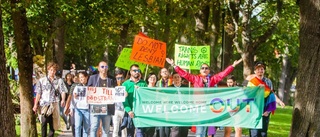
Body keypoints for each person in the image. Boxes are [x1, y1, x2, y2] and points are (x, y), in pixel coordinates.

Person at [166, 58, 243, 137]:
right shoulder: (195, 79)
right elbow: (184, 74)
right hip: (200, 109)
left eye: (206, 68)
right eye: (202, 68)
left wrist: (233, 65)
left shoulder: (213, 79)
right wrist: (174, 65)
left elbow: (222, 74)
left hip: (211, 109)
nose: (204, 69)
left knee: (211, 131)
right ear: (200, 71)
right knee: (200, 132)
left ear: (209, 71)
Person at [32, 61, 68, 137]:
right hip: (44, 104)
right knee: (44, 123)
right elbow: (38, 93)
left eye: (54, 70)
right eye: (51, 70)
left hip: (54, 104)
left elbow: (63, 91)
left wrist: (63, 100)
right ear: (48, 70)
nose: (52, 72)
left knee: (53, 124)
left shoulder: (59, 80)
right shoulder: (42, 81)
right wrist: (35, 105)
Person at [246, 61, 277, 137]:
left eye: (262, 69)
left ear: (264, 70)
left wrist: (268, 111)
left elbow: (271, 97)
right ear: (254, 71)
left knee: (263, 133)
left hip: (265, 111)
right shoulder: (251, 82)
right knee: (254, 133)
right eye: (258, 69)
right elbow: (247, 96)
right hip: (254, 112)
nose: (260, 71)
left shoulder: (268, 82)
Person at [88, 61, 115, 137]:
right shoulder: (93, 78)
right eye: (102, 67)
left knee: (106, 129)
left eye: (106, 67)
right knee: (94, 127)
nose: (104, 68)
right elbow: (88, 91)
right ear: (99, 68)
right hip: (95, 106)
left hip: (108, 107)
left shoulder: (111, 79)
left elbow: (116, 91)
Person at [122, 64, 150, 137]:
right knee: (130, 134)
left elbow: (147, 97)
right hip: (130, 112)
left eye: (138, 70)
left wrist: (141, 91)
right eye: (134, 70)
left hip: (140, 113)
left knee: (140, 133)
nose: (136, 72)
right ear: (130, 72)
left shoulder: (143, 83)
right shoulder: (125, 84)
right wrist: (129, 110)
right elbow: (124, 100)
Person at [69, 71, 90, 137]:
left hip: (87, 109)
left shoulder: (90, 86)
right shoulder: (77, 87)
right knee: (77, 126)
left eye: (82, 77)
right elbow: (73, 98)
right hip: (78, 109)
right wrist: (71, 108)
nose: (81, 79)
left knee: (86, 128)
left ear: (86, 77)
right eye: (80, 77)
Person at [169, 72, 189, 137]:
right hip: (174, 112)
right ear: (172, 79)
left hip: (184, 112)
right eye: (175, 77)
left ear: (181, 78)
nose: (177, 78)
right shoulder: (169, 88)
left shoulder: (186, 88)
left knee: (184, 131)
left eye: (178, 77)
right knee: (175, 131)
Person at [155, 68, 172, 137]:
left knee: (167, 124)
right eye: (163, 72)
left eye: (166, 71)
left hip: (169, 104)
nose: (164, 73)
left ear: (168, 73)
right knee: (161, 123)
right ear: (160, 74)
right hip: (161, 104)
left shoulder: (172, 81)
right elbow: (155, 94)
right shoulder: (158, 83)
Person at [112, 69, 127, 137]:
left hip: (124, 109)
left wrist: (127, 94)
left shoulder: (126, 85)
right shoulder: (113, 86)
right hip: (115, 109)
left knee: (124, 129)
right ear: (115, 78)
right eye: (118, 78)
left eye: (121, 78)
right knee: (115, 128)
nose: (120, 79)